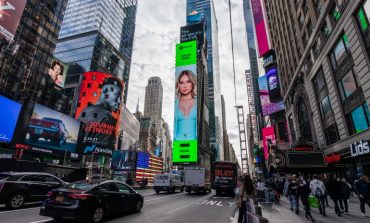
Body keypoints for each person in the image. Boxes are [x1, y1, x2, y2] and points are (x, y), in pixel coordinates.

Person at [78, 76, 123, 149]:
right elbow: (104, 146)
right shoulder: (107, 117)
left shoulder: (85, 110)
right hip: (95, 155)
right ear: (106, 92)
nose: (119, 101)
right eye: (116, 95)